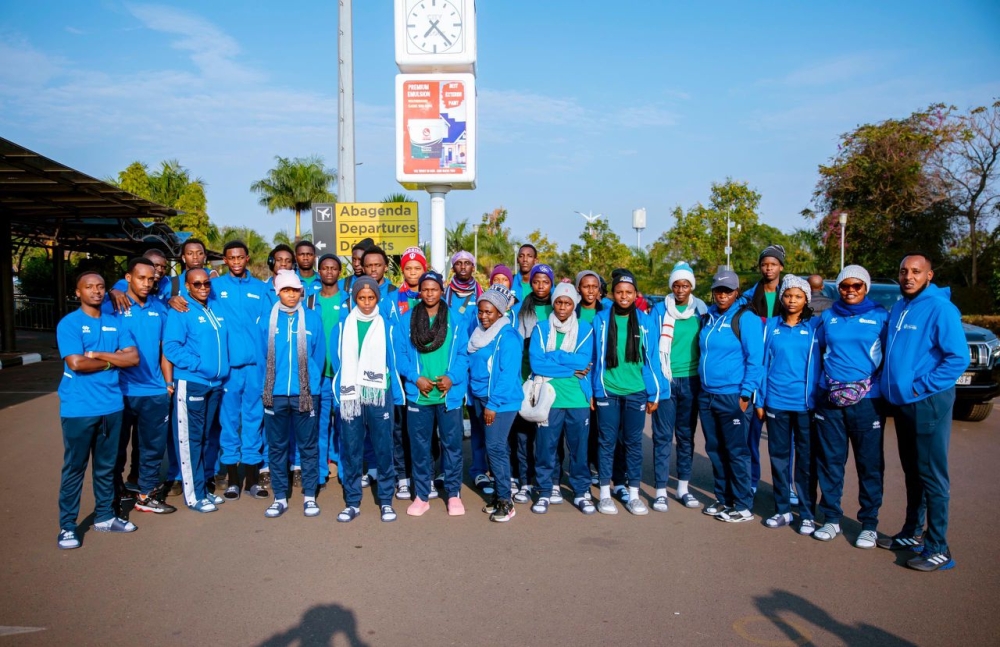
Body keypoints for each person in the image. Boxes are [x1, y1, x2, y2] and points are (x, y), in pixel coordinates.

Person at [881, 253, 968, 571]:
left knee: (932, 475)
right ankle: (912, 533)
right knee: (913, 471)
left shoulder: (940, 308)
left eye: (916, 272)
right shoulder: (901, 306)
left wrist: (919, 387)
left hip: (927, 401)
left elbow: (958, 358)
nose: (908, 276)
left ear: (929, 276)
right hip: (904, 403)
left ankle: (938, 547)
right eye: (903, 271)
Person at [56, 271, 140, 549]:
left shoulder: (115, 322)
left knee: (106, 467)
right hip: (79, 409)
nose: (96, 291)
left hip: (112, 406)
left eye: (101, 287)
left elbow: (133, 358)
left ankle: (105, 516)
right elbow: (77, 364)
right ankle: (68, 526)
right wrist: (111, 362)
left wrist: (98, 355)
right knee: (75, 468)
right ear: (77, 292)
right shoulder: (70, 324)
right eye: (89, 287)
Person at [813, 265, 888, 546]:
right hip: (830, 399)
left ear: (866, 288)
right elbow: (818, 352)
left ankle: (869, 524)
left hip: (868, 401)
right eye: (845, 286)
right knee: (831, 462)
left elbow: (890, 356)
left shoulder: (880, 315)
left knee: (869, 464)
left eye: (857, 285)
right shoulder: (829, 316)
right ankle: (831, 519)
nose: (851, 290)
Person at [103, 258, 176, 515]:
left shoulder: (160, 307)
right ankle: (112, 497)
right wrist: (112, 292)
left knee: (151, 449)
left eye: (151, 279)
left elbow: (165, 349)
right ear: (128, 278)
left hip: (154, 391)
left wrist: (168, 383)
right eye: (141, 278)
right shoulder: (112, 305)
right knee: (115, 450)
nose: (147, 283)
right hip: (120, 392)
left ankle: (145, 494)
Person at [395, 271, 470, 517]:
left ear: (441, 290)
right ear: (420, 291)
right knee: (419, 447)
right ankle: (422, 495)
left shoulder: (455, 321)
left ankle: (453, 494)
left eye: (434, 289)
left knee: (452, 446)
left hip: (448, 396)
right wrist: (416, 378)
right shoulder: (406, 320)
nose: (429, 293)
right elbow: (400, 356)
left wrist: (451, 378)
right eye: (425, 289)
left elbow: (462, 354)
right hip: (419, 395)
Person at [592, 269, 663, 516]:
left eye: (629, 292)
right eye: (619, 292)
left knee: (633, 443)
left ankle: (633, 494)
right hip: (608, 390)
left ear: (635, 295)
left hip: (636, 392)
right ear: (612, 294)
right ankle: (604, 494)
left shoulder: (645, 321)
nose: (623, 296)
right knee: (607, 442)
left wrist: (654, 392)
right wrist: (594, 389)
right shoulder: (600, 319)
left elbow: (652, 358)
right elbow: (594, 358)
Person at [333, 276, 404, 523]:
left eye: (371, 298)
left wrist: (394, 393)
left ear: (377, 298)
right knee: (352, 449)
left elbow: (393, 361)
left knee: (384, 448)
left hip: (378, 392)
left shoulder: (387, 325)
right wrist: (340, 394)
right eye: (361, 298)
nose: (366, 303)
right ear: (354, 298)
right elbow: (337, 363)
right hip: (351, 394)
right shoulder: (343, 326)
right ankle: (352, 502)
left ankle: (386, 500)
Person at [257, 270, 326, 519]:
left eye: (294, 290)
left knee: (308, 447)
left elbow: (318, 356)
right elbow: (260, 357)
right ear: (277, 292)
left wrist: (311, 386)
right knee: (277, 448)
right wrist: (267, 388)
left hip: (305, 395)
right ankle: (280, 497)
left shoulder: (312, 319)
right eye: (285, 290)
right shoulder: (267, 319)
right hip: (274, 395)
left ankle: (309, 496)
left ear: (301, 291)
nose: (290, 294)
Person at [698, 267, 764, 524]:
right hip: (708, 395)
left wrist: (746, 393)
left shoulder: (745, 318)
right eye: (718, 290)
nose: (722, 295)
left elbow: (755, 358)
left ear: (736, 292)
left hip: (733, 395)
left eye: (727, 291)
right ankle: (724, 498)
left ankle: (744, 504)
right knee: (715, 449)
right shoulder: (709, 316)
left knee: (736, 451)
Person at [163, 268, 230, 513]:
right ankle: (193, 495)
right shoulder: (181, 309)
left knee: (204, 438)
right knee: (190, 440)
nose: (203, 287)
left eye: (206, 283)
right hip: (192, 382)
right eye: (197, 284)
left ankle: (203, 490)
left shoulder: (213, 306)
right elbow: (171, 347)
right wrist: (200, 366)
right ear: (187, 286)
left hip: (214, 385)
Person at [527, 282, 596, 515]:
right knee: (546, 448)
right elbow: (537, 364)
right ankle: (547, 490)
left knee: (579, 450)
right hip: (549, 399)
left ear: (574, 305)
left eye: (567, 303)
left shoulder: (585, 329)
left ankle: (580, 491)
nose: (563, 307)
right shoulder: (541, 328)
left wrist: (553, 359)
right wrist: (568, 365)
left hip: (577, 399)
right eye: (558, 302)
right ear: (553, 303)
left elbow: (583, 362)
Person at [759, 275, 820, 532]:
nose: (792, 300)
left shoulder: (816, 327)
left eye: (797, 296)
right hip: (776, 402)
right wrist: (759, 400)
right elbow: (761, 365)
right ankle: (783, 510)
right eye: (787, 295)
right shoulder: (771, 326)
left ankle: (807, 513)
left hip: (806, 404)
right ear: (781, 298)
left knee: (806, 461)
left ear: (806, 299)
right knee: (779, 458)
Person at [211, 240, 269, 501]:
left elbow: (268, 327)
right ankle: (233, 480)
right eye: (230, 258)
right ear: (225, 260)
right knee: (229, 423)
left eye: (240, 257)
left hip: (255, 369)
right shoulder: (214, 287)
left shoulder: (261, 289)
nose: (236, 262)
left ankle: (253, 481)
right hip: (229, 370)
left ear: (247, 258)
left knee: (254, 422)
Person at [649, 261, 708, 511]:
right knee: (662, 437)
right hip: (666, 379)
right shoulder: (659, 311)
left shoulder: (702, 311)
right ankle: (661, 490)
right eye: (676, 284)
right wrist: (656, 385)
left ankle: (683, 487)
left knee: (685, 437)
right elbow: (652, 348)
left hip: (692, 381)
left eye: (685, 285)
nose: (680, 289)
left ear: (691, 286)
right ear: (671, 285)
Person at [468, 284, 523, 522]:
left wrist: (493, 404)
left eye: (489, 312)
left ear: (500, 312)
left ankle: (505, 501)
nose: (483, 316)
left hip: (500, 402)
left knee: (496, 448)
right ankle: (499, 494)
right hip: (481, 397)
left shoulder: (508, 337)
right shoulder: (479, 333)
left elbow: (508, 375)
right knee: (494, 448)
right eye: (481, 311)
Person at [509, 263, 556, 504]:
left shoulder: (559, 305)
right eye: (536, 281)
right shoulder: (521, 308)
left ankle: (549, 481)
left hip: (551, 378)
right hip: (525, 376)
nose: (540, 286)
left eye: (545, 282)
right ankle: (524, 481)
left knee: (548, 436)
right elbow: (516, 344)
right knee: (523, 434)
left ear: (551, 283)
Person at [743, 244, 785, 497]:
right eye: (764, 264)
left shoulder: (790, 295)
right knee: (751, 435)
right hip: (756, 371)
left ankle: (786, 486)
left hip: (781, 372)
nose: (768, 268)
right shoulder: (749, 296)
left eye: (773, 264)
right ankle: (751, 479)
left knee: (784, 441)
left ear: (781, 266)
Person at [307, 254, 347, 485]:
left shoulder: (349, 301)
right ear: (318, 272)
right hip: (318, 375)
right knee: (319, 425)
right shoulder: (310, 302)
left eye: (333, 268)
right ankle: (321, 470)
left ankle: (343, 469)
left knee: (344, 425)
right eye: (325, 268)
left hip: (343, 376)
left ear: (339, 272)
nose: (329, 272)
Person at [443, 250, 483, 324]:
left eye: (467, 263)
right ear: (453, 269)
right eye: (458, 263)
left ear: (473, 268)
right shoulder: (445, 294)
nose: (463, 267)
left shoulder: (482, 294)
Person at [341, 238, 374, 307]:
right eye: (354, 259)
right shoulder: (342, 284)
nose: (356, 264)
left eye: (360, 260)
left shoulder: (381, 284)